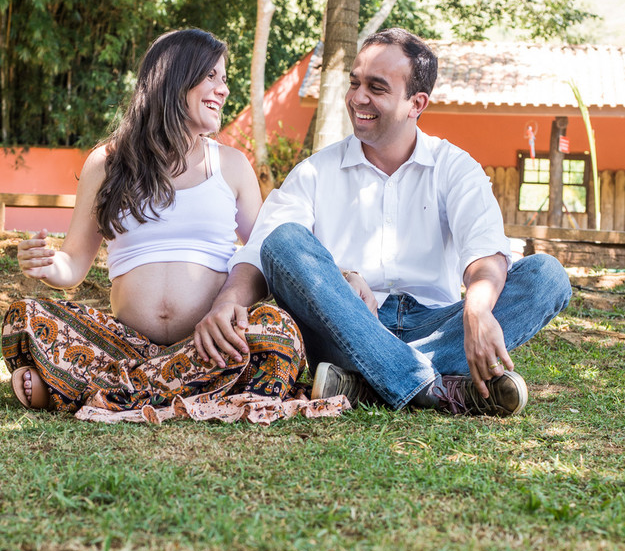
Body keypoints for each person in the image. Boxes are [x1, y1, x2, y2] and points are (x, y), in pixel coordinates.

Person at [194, 27, 572, 416]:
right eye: (355, 83)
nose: (358, 97)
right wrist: (228, 302)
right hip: (345, 327)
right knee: (285, 239)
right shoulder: (314, 172)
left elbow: (485, 251)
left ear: (416, 103)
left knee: (547, 275)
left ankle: (365, 385)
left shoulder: (454, 167)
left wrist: (476, 310)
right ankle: (430, 387)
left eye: (376, 87)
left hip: (438, 325)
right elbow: (265, 250)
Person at [2, 28, 343, 425]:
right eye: (211, 76)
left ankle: (86, 389)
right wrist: (48, 267)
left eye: (225, 79)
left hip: (208, 346)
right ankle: (177, 390)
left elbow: (266, 258)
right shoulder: (106, 164)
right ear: (173, 78)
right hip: (126, 343)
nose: (223, 89)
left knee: (277, 330)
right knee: (25, 315)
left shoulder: (231, 165)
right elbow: (73, 264)